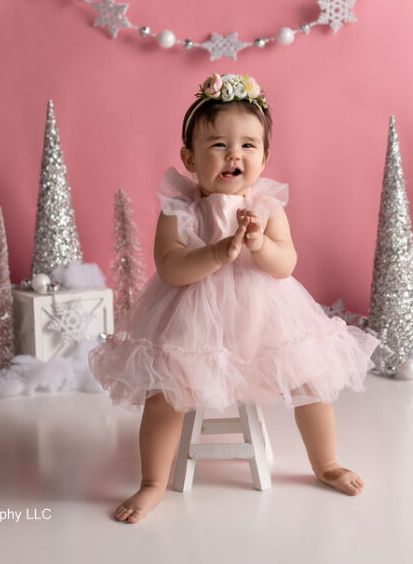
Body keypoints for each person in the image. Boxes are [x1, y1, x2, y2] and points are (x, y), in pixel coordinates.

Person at [88, 73, 380, 524]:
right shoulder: (179, 211)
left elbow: (286, 264)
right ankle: (152, 483)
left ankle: (325, 462)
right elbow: (171, 267)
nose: (234, 154)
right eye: (218, 145)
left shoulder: (268, 207)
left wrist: (260, 243)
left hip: (265, 320)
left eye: (247, 145)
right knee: (165, 395)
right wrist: (219, 251)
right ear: (189, 158)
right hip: (191, 324)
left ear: (264, 157)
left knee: (311, 383)